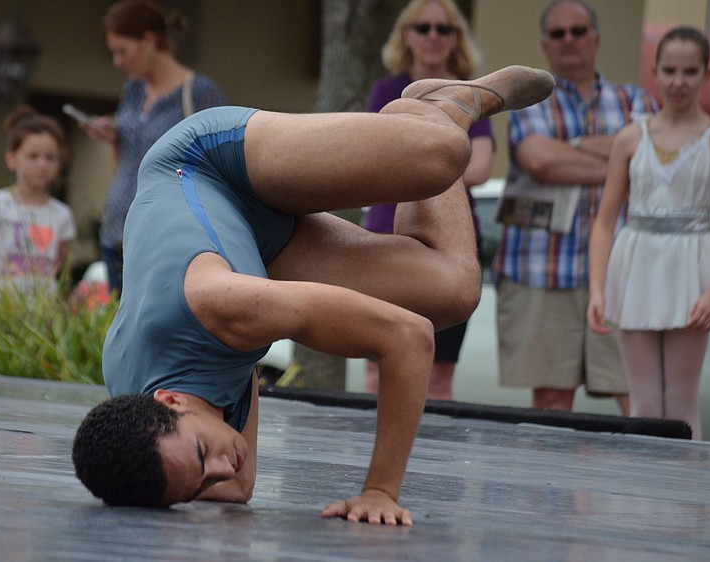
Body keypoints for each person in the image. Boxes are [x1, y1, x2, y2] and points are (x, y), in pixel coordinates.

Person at [71, 64, 555, 526]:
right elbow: (238, 485)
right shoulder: (144, 432)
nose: (221, 470)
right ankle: (432, 112)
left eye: (202, 458)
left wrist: (380, 491)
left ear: (170, 401)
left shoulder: (224, 306)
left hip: (208, 166)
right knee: (453, 291)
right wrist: (202, 471)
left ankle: (434, 111)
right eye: (198, 487)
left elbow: (408, 336)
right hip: (253, 248)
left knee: (441, 155)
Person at [492, 0, 657, 414]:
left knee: (637, 396)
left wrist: (573, 148)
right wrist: (621, 159)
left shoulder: (638, 100)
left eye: (578, 31)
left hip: (624, 274)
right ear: (545, 46)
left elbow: (654, 164)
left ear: (596, 39)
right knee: (550, 400)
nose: (569, 40)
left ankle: (636, 480)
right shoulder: (526, 100)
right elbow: (540, 161)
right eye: (558, 33)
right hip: (542, 270)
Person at [587, 26, 710, 440]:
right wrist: (598, 289)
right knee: (645, 402)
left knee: (682, 404)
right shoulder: (631, 137)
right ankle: (641, 503)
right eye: (669, 70)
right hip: (636, 267)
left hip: (692, 269)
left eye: (689, 71)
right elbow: (604, 220)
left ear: (706, 74)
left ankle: (681, 500)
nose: (678, 81)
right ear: (655, 71)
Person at [361, 0, 494, 400]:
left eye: (444, 28)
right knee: (377, 368)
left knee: (438, 378)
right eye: (423, 28)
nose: (433, 36)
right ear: (407, 35)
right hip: (384, 246)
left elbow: (482, 167)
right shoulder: (386, 91)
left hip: (451, 251)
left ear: (457, 38)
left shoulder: (472, 94)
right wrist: (447, 161)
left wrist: (412, 163)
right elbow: (372, 159)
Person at [82, 0, 226, 297]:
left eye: (122, 51)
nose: (117, 62)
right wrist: (113, 135)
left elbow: (220, 163)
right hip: (117, 230)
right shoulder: (133, 89)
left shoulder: (199, 93)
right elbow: (129, 160)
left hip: (165, 235)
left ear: (149, 41)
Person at [0, 106, 77, 295]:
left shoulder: (62, 214)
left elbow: (57, 267)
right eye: (33, 156)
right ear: (11, 159)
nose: (42, 164)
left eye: (50, 157)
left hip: (41, 310)